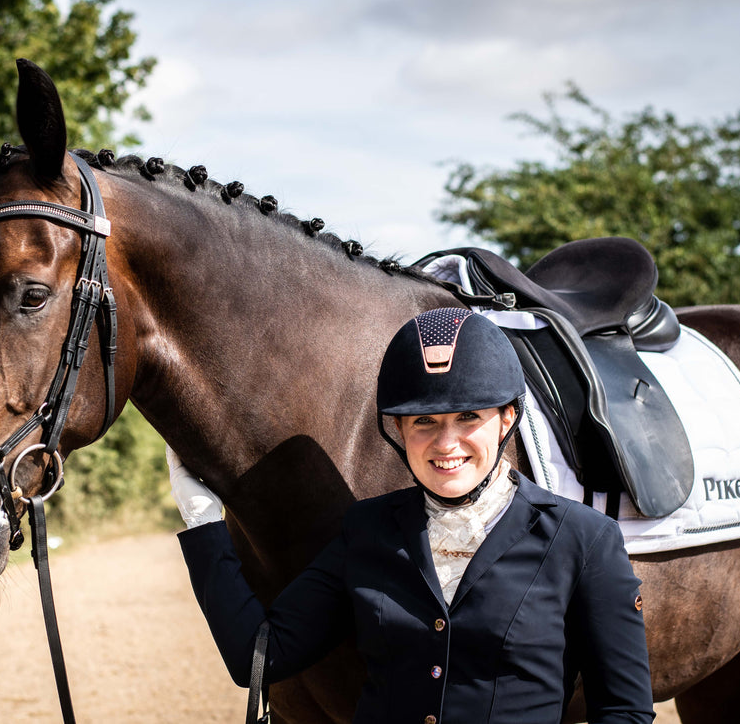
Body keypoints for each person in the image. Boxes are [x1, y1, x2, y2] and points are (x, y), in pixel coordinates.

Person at [167, 307, 655, 723]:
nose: (446, 445)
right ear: (399, 430)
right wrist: (205, 524)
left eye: (468, 417)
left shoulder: (585, 541)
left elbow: (625, 711)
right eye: (424, 421)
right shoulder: (367, 531)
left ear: (507, 418)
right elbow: (259, 656)